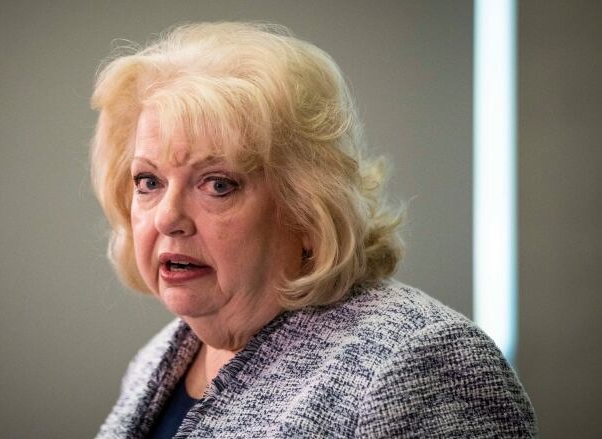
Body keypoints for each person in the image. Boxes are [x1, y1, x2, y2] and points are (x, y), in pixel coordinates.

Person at [89, 22, 537, 438]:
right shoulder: (158, 357)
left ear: (306, 209)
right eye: (149, 182)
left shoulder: (418, 362)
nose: (167, 217)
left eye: (218, 184)